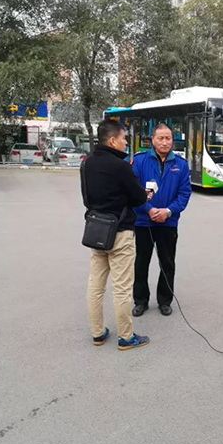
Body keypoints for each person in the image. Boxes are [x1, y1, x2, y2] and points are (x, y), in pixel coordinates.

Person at [82, 119, 150, 351]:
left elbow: (86, 198)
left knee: (95, 285)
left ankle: (97, 332)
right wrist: (143, 195)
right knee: (121, 287)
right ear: (112, 140)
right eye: (123, 139)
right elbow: (138, 198)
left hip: (97, 230)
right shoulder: (121, 167)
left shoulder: (87, 163)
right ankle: (126, 337)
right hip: (120, 232)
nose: (125, 143)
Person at [131, 123, 191, 317]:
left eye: (168, 138)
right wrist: (148, 209)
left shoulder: (180, 164)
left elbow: (184, 194)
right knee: (141, 262)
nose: (165, 142)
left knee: (167, 263)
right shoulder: (139, 161)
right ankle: (140, 301)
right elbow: (132, 191)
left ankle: (165, 300)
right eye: (161, 138)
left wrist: (168, 211)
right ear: (152, 140)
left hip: (168, 223)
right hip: (143, 222)